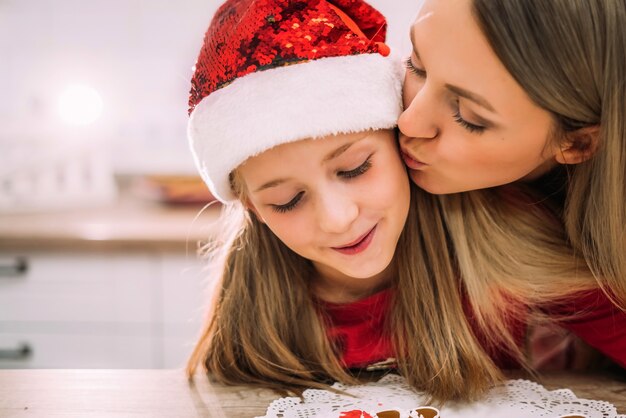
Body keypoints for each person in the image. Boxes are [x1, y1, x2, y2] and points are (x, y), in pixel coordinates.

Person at [398, 0, 626, 311]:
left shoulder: (601, 291)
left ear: (577, 145)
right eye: (416, 65)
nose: (408, 121)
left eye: (468, 116)